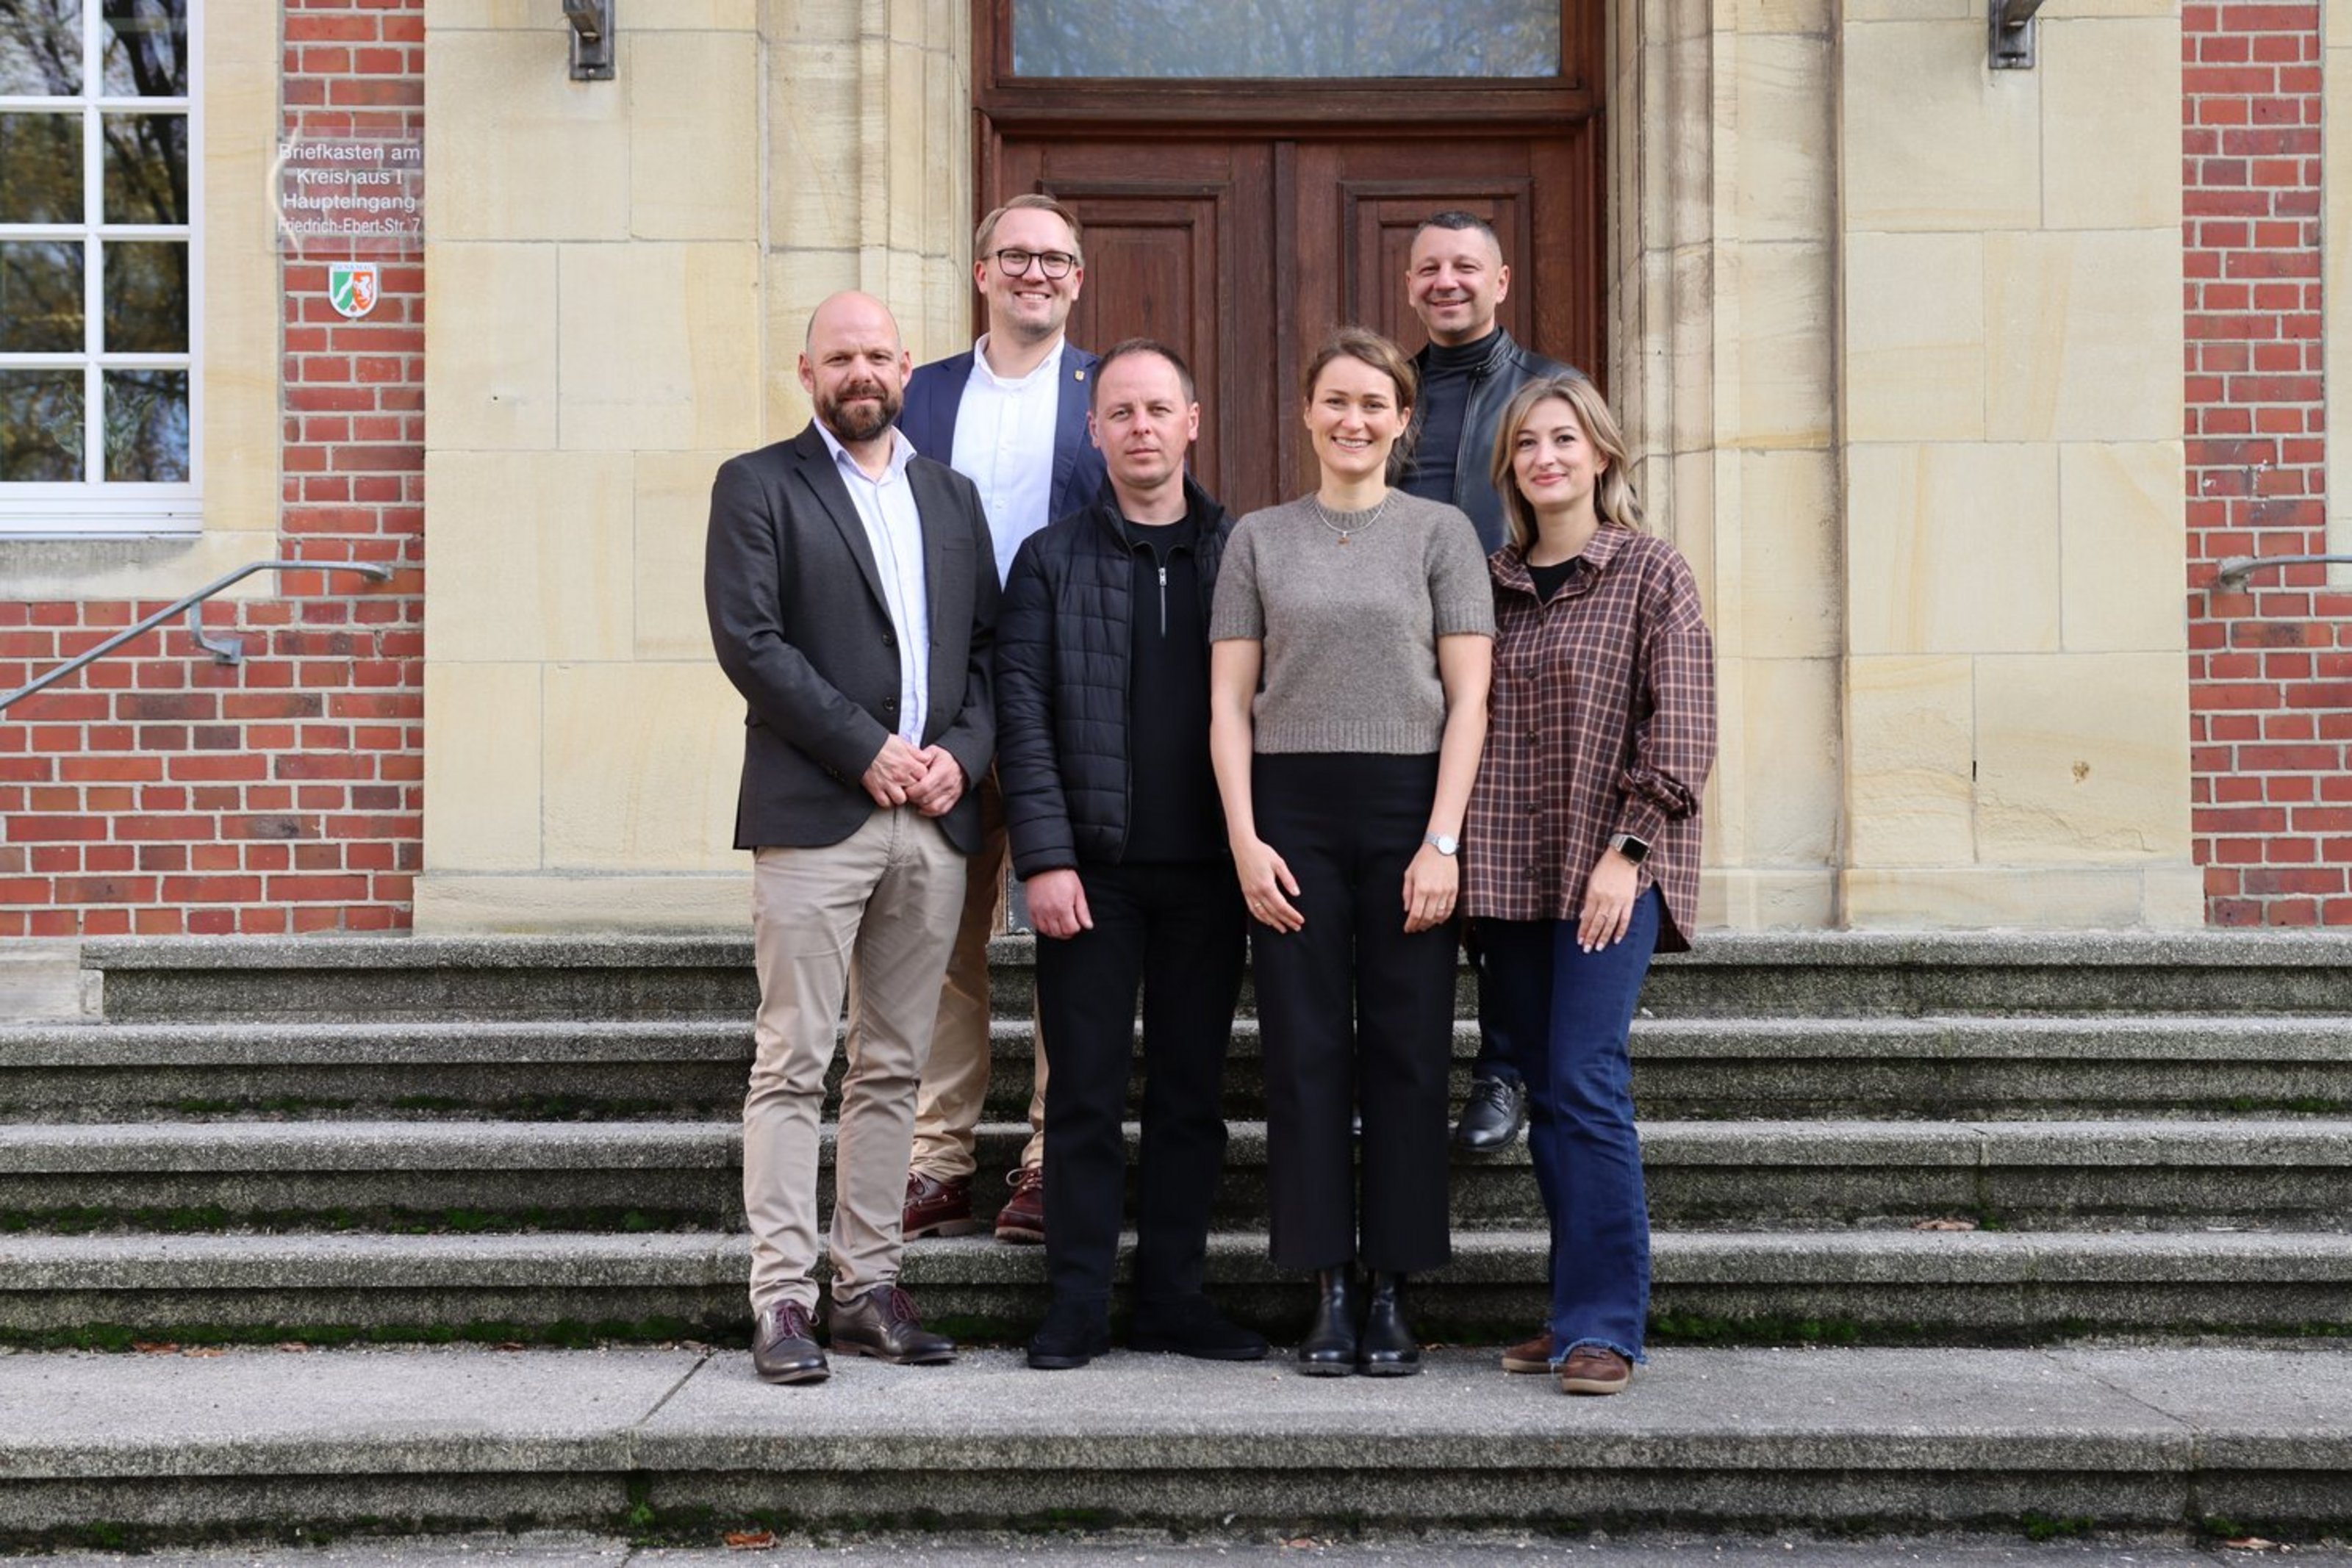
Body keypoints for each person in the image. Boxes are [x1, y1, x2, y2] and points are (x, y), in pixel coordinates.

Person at [704, 291, 998, 1385]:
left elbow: (987, 656)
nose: (860, 370)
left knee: (894, 1064)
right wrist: (866, 746)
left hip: (930, 820)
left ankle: (866, 1283)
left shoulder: (950, 497)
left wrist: (959, 755)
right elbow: (751, 641)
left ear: (908, 366)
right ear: (807, 369)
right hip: (817, 813)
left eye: (878, 353)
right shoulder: (758, 484)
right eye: (841, 355)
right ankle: (781, 1298)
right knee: (793, 1059)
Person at [1207, 327, 1494, 1378]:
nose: (1354, 419)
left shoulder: (1442, 534)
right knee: (1304, 1050)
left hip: (1410, 803)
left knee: (1412, 1053)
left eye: (1375, 402)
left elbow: (1470, 700)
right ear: (1307, 412)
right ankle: (1326, 1285)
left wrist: (1442, 840)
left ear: (1402, 418)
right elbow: (1229, 705)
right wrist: (1243, 837)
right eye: (1336, 400)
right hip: (1289, 811)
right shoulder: (1258, 539)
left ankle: (1395, 1289)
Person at [996, 339, 1268, 1371]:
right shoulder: (1050, 559)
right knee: (1085, 1094)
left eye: (1160, 409)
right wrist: (1045, 860)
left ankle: (1172, 1298)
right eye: (1122, 412)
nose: (1142, 427)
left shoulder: (1244, 551)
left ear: (1191, 422)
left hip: (1210, 873)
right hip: (1091, 876)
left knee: (1194, 1094)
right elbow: (1022, 718)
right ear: (1097, 431)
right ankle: (1075, 1304)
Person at [1461, 375, 1715, 1398]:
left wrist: (1632, 849)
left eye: (1565, 439)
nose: (1547, 457)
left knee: (1585, 1080)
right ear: (1510, 467)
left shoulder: (1652, 571)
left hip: (1609, 867)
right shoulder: (1488, 581)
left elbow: (1685, 726)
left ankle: (1606, 1323)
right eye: (1528, 444)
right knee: (1544, 1091)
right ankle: (1574, 1309)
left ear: (1601, 454)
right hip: (1508, 875)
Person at [899, 193, 1110, 1248]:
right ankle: (936, 1159)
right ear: (982, 271)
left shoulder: (1110, 394)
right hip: (943, 703)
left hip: (1073, 697)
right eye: (1017, 255)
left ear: (1078, 278)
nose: (1037, 272)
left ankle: (1046, 1158)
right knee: (941, 932)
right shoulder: (920, 394)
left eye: (1056, 259)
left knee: (1073, 936)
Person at [1397, 210, 1586, 1157]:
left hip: (1516, 658)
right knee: (1415, 875)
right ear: (1410, 283)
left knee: (1505, 874)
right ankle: (1404, 1071)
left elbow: (1585, 519)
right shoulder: (1387, 393)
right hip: (1396, 674)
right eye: (1429, 268)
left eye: (1465, 267)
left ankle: (1507, 1067)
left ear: (1501, 281)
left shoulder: (1549, 390)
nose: (1446, 282)